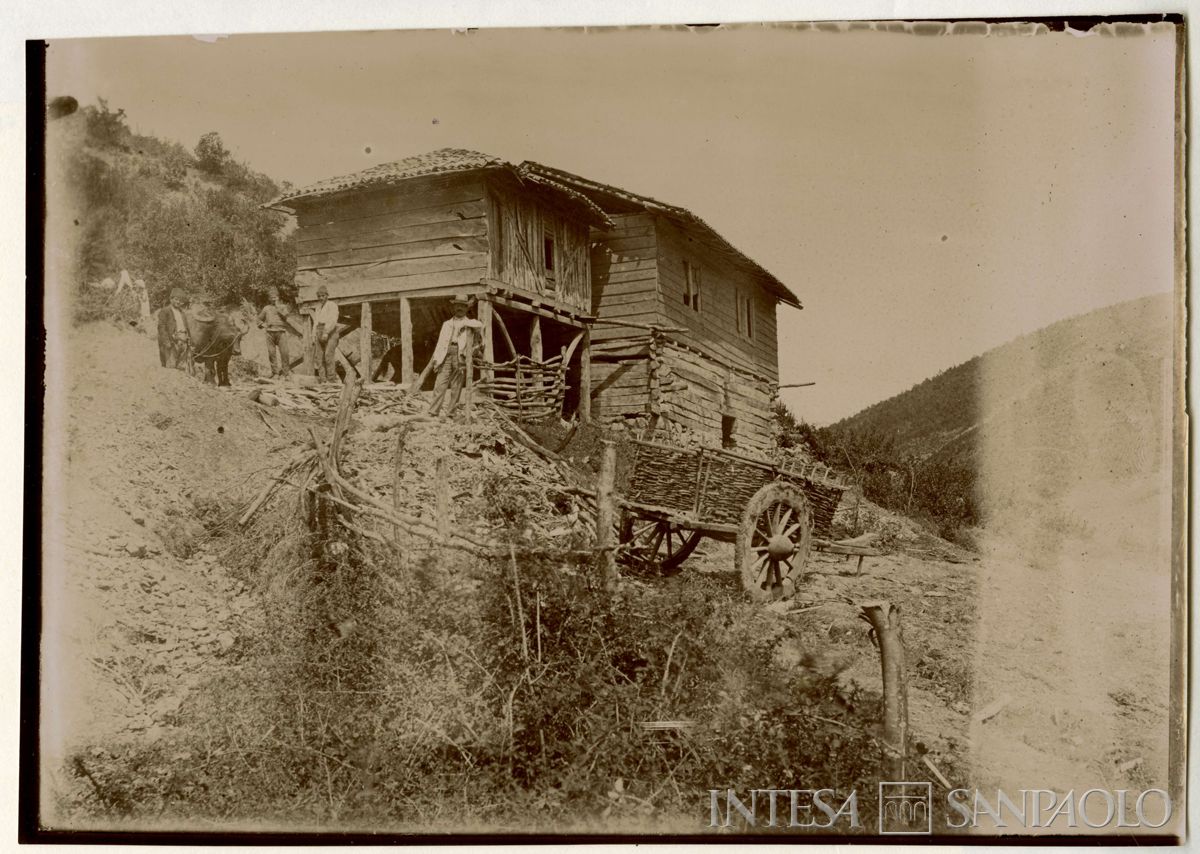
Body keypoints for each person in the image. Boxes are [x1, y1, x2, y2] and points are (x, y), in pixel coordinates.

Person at [428, 295, 483, 416]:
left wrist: (464, 324)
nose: (460, 308)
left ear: (467, 308)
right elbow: (440, 343)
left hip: (460, 354)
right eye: (458, 305)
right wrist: (437, 358)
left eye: (463, 306)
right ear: (453, 307)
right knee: (440, 384)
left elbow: (480, 325)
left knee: (456, 386)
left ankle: (451, 412)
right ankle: (433, 411)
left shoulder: (470, 323)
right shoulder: (446, 324)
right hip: (446, 353)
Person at [258, 290, 293, 378]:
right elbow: (258, 319)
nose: (273, 299)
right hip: (270, 332)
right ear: (269, 299)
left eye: (275, 297)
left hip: (281, 332)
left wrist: (278, 307)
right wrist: (263, 324)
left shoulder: (283, 307)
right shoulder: (266, 308)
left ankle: (286, 373)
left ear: (278, 297)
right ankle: (275, 373)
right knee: (271, 353)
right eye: (271, 297)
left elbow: (286, 316)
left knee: (285, 353)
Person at [311, 285, 341, 382]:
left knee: (328, 355)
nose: (321, 298)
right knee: (319, 357)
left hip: (330, 331)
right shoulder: (318, 307)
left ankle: (331, 379)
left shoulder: (332, 305)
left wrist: (326, 332)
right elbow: (316, 322)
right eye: (319, 296)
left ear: (327, 295)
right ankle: (323, 379)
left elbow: (333, 320)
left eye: (323, 296)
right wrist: (313, 335)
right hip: (319, 330)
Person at [156, 287, 191, 370]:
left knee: (182, 368)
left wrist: (189, 339)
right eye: (176, 299)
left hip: (183, 342)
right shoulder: (165, 311)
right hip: (172, 342)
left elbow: (186, 327)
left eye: (180, 300)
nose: (178, 302)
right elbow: (161, 328)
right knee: (171, 368)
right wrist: (167, 342)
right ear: (171, 299)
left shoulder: (182, 313)